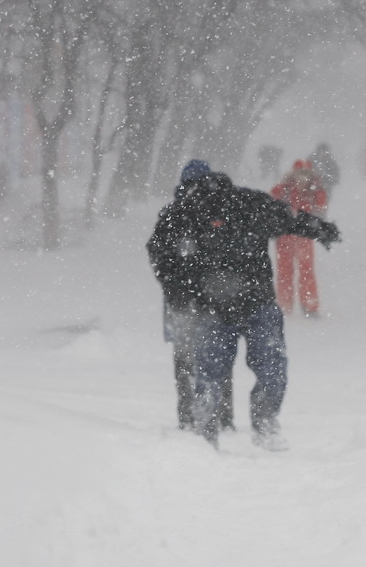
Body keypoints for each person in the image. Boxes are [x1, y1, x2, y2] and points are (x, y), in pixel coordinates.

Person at [146, 163, 340, 451]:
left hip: (222, 307)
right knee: (267, 368)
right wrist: (320, 229)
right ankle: (258, 426)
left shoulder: (186, 211)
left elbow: (159, 252)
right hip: (252, 303)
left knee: (210, 374)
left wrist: (180, 288)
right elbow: (289, 218)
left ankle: (209, 432)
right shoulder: (247, 203)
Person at [147, 160, 235, 432]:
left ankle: (189, 417)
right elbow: (234, 253)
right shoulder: (220, 212)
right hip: (213, 299)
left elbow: (157, 253)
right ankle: (222, 416)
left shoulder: (172, 213)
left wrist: (172, 283)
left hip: (182, 301)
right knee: (217, 358)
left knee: (185, 360)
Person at [271, 160, 328, 317]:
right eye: (299, 174)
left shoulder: (316, 191)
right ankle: (284, 306)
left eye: (305, 174)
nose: (302, 178)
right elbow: (270, 207)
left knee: (306, 271)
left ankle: (309, 306)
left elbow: (321, 212)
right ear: (293, 174)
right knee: (284, 272)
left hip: (304, 237)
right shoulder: (282, 190)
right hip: (284, 237)